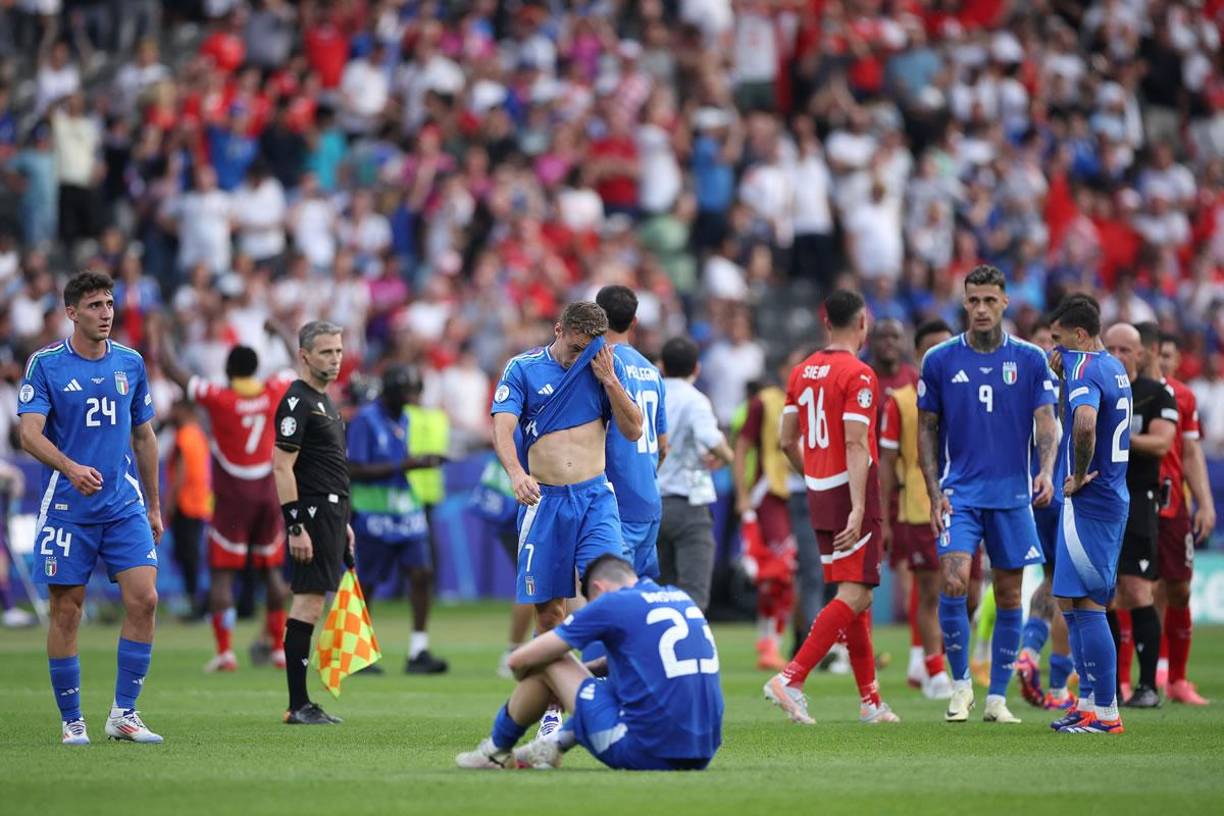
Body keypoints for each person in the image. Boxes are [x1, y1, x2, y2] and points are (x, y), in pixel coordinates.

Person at [18, 270, 164, 744]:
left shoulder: (130, 362)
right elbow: (29, 435)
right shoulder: (46, 365)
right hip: (68, 509)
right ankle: (72, 719)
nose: (105, 314)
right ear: (72, 312)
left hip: (123, 505)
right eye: (95, 306)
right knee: (67, 610)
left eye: (109, 304)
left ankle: (124, 713)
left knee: (145, 600)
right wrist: (70, 467)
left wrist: (155, 506)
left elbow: (144, 436)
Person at [489, 302, 642, 733]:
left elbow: (634, 429)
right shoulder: (523, 369)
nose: (580, 358)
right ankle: (553, 712)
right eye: (575, 348)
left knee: (614, 597)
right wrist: (516, 473)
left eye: (588, 350)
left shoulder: (605, 366)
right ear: (559, 330)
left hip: (595, 499)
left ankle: (626, 698)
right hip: (545, 502)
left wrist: (609, 380)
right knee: (549, 615)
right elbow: (502, 427)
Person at [916, 265, 1059, 724]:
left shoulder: (1031, 359)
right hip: (959, 493)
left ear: (1005, 302)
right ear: (964, 302)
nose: (981, 308)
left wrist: (1046, 471)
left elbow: (1046, 423)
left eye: (989, 300)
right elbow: (926, 429)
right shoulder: (939, 360)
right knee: (954, 580)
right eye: (973, 300)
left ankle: (997, 698)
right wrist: (933, 490)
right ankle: (961, 688)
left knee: (1010, 594)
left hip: (1012, 495)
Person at [764, 289, 901, 726]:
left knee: (854, 592)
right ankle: (791, 677)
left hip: (819, 490)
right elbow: (857, 443)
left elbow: (786, 440)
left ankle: (870, 701)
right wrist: (859, 506)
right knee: (856, 593)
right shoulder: (859, 374)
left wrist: (814, 475)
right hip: (849, 489)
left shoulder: (801, 371)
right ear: (863, 324)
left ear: (826, 323)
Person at [455, 554, 723, 772]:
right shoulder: (678, 597)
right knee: (621, 678)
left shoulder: (612, 603)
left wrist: (539, 676)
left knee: (549, 658)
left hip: (647, 752)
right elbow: (639, 661)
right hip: (704, 751)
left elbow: (518, 659)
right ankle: (553, 745)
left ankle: (495, 752)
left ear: (598, 589)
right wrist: (580, 675)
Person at [160, 341, 293, 672]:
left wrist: (159, 334)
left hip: (232, 496)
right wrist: (278, 333)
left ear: (230, 371)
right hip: (267, 491)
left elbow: (174, 371)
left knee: (222, 575)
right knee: (272, 571)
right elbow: (298, 365)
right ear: (255, 369)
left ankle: (225, 653)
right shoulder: (273, 391)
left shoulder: (221, 398)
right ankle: (279, 649)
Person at [1047, 296, 1131, 734]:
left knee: (1089, 606)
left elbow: (1084, 424)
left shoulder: (1084, 369)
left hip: (1093, 501)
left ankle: (1107, 713)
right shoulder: (1112, 366)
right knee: (1074, 605)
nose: (1054, 349)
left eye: (1058, 339)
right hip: (1100, 500)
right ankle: (1086, 705)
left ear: (1079, 335)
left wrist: (1079, 476)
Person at [273, 320, 354, 725]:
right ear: (304, 355)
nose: (335, 359)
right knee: (307, 601)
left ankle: (302, 702)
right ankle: (298, 703)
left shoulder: (324, 400)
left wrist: (345, 523)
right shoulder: (297, 401)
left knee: (314, 601)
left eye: (338, 351)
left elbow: (328, 467)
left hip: (331, 513)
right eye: (326, 352)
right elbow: (282, 466)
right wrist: (295, 525)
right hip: (312, 513)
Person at [348, 365, 448, 675]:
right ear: (391, 392)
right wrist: (405, 465)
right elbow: (353, 469)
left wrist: (418, 463)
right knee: (367, 581)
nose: (413, 398)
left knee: (422, 573)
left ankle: (418, 650)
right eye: (408, 392)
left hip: (404, 510)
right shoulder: (365, 419)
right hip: (373, 511)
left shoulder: (403, 417)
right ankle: (358, 652)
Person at [1102, 322, 1176, 708]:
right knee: (1105, 594)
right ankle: (1111, 687)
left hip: (1138, 498)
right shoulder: (1098, 388)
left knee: (1136, 588)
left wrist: (1118, 437)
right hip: (1101, 500)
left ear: (1140, 353)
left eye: (1124, 350)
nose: (1117, 356)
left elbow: (1162, 442)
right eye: (1110, 349)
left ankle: (1147, 686)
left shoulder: (1155, 393)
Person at [880, 319, 954, 699]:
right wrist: (883, 518)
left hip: (967, 504)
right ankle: (933, 669)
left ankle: (937, 659)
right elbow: (886, 462)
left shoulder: (972, 394)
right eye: (931, 349)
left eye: (947, 347)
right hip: (918, 508)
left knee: (969, 592)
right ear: (919, 354)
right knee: (929, 589)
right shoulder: (901, 401)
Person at [1014, 321, 1076, 711]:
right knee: (1071, 589)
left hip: (1031, 493)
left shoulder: (1019, 380)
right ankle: (1058, 687)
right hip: (1063, 490)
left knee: (1051, 580)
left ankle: (1029, 650)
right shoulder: (1071, 380)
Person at [1154, 332, 1216, 704]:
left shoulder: (1184, 397)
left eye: (1167, 355)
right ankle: (1129, 680)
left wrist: (1205, 503)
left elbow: (1192, 453)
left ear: (1177, 360)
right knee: (1133, 591)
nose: (1162, 361)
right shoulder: (1130, 391)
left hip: (1175, 504)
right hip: (1135, 504)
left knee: (1178, 589)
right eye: (1157, 354)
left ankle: (1176, 679)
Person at [656, 337, 735, 611]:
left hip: (652, 503)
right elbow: (710, 439)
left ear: (661, 366)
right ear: (697, 369)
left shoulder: (651, 394)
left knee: (659, 592)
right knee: (693, 593)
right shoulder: (695, 399)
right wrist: (728, 456)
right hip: (687, 503)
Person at [596, 285, 668, 579]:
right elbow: (663, 446)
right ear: (634, 321)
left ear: (598, 318)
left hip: (617, 501)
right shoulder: (652, 371)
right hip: (649, 498)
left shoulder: (602, 366)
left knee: (609, 591)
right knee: (640, 593)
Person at [867, 318, 920, 684]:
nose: (888, 342)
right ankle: (858, 648)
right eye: (882, 336)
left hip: (904, 491)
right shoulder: (863, 379)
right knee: (861, 572)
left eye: (895, 336)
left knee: (912, 572)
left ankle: (920, 653)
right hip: (864, 487)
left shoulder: (913, 381)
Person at [733, 366, 796, 671]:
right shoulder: (765, 402)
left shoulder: (806, 401)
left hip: (795, 494)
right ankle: (770, 644)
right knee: (779, 571)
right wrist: (742, 494)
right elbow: (741, 446)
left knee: (782, 575)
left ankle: (769, 643)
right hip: (767, 494)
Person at [164, 399, 211, 620]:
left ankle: (196, 604)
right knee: (192, 556)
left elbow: (181, 473)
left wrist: (170, 503)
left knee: (188, 557)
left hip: (186, 505)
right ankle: (198, 602)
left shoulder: (183, 436)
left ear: (183, 410)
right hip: (199, 503)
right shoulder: (199, 434)